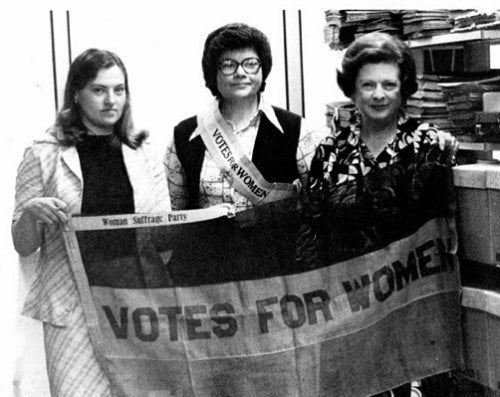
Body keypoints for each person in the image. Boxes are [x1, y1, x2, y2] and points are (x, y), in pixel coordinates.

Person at [303, 32, 458, 397]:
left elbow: (447, 232)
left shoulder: (432, 146)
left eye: (389, 84)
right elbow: (312, 237)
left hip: (415, 315)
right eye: (367, 84)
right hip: (347, 316)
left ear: (404, 89)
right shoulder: (329, 153)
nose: (378, 94)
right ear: (352, 90)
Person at [12, 48, 170, 396]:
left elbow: (163, 234)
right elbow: (23, 244)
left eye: (119, 89)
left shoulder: (144, 151)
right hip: (72, 308)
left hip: (134, 304)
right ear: (77, 94)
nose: (111, 100)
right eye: (99, 90)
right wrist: (31, 213)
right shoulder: (43, 152)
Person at [165, 23, 323, 213]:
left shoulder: (298, 131)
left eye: (250, 63)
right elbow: (177, 219)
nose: (240, 73)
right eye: (228, 65)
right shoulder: (183, 136)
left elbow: (319, 207)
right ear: (213, 73)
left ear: (263, 69)